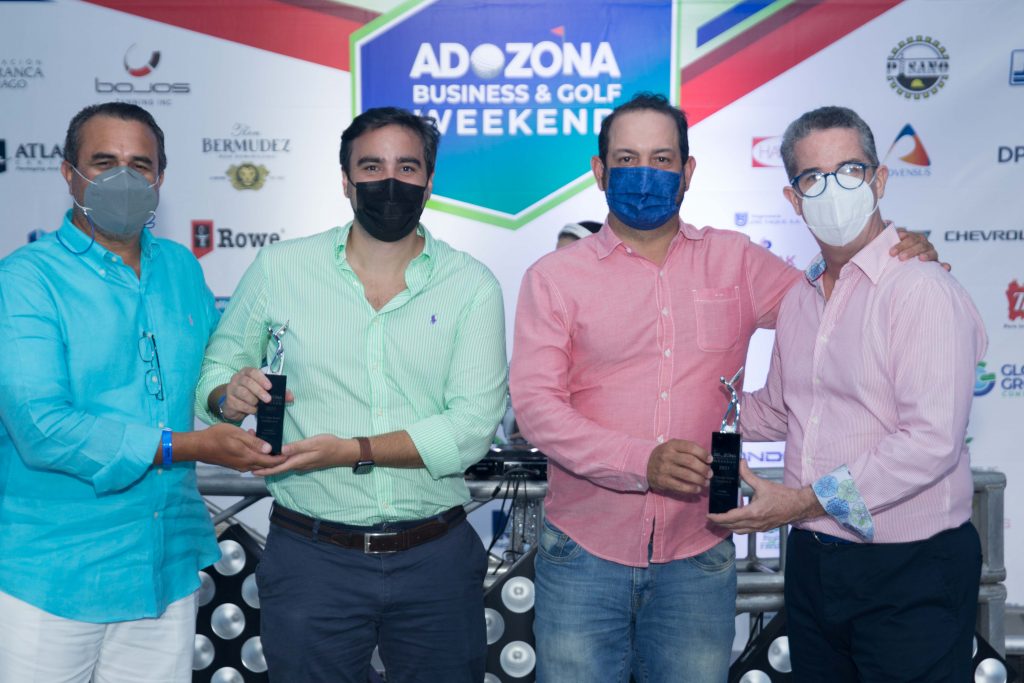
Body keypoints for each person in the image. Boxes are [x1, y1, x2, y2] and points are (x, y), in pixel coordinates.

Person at [509, 93, 940, 683]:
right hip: (583, 553)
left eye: (662, 159)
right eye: (627, 159)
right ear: (599, 170)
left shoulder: (735, 260)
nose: (645, 173)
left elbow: (834, 301)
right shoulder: (554, 278)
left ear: (688, 172)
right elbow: (537, 408)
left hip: (699, 555)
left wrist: (896, 259)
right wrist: (640, 461)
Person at [195, 106, 508, 683]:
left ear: (428, 182)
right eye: (371, 167)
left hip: (435, 560)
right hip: (312, 558)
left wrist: (353, 450)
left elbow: (468, 432)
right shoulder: (281, 268)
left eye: (406, 167)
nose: (390, 181)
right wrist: (226, 395)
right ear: (345, 180)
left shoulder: (471, 285)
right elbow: (216, 371)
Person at [0, 102, 277, 683]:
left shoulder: (180, 267)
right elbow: (41, 428)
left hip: (163, 564)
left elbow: (203, 380)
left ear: (160, 178)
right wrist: (187, 446)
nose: (123, 178)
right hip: (53, 575)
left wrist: (225, 397)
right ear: (68, 173)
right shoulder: (25, 279)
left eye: (140, 165)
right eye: (104, 163)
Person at [709, 106, 985, 681]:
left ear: (879, 180)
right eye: (813, 177)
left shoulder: (920, 289)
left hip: (911, 568)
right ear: (794, 199)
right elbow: (776, 409)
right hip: (814, 564)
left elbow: (930, 442)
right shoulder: (800, 299)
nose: (833, 189)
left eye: (850, 171)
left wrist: (803, 502)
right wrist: (671, 420)